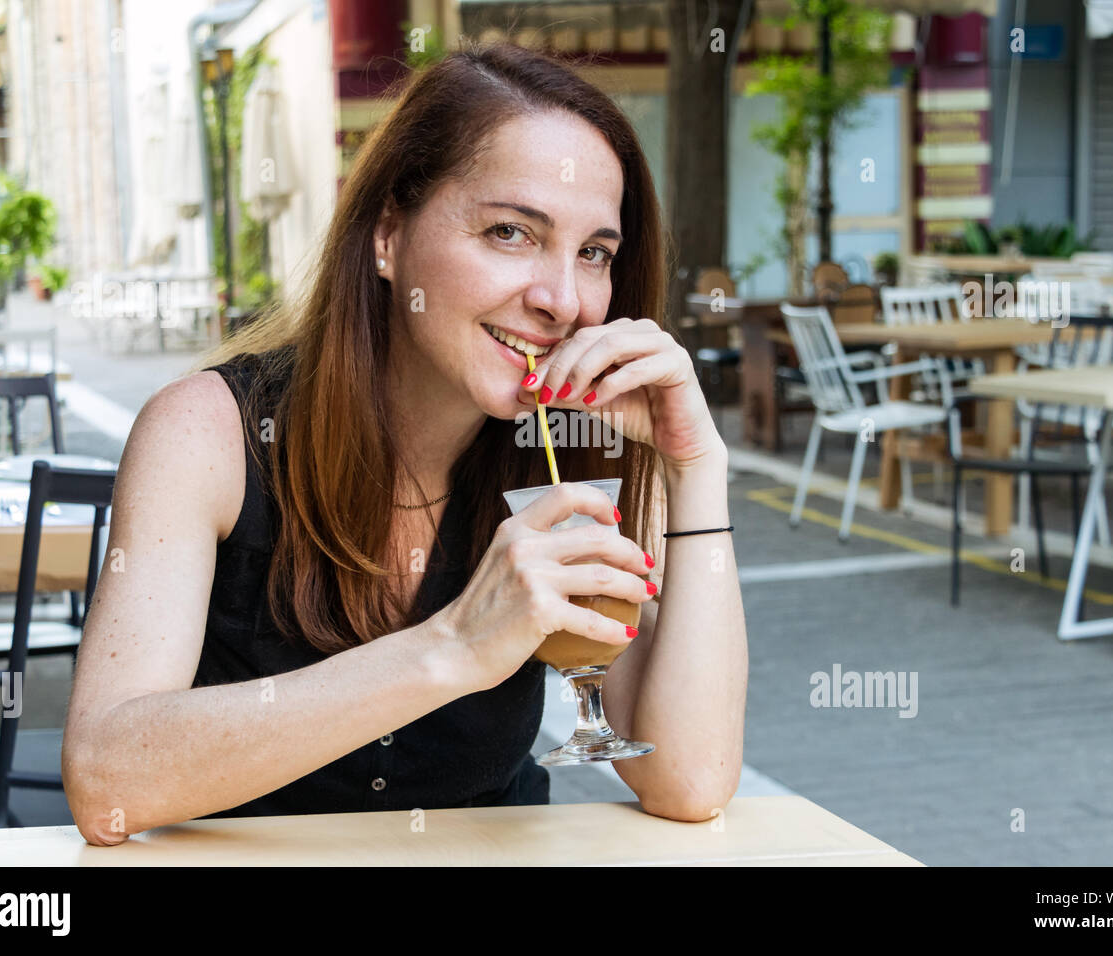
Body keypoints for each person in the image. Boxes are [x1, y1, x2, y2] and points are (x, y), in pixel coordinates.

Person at [62, 42, 747, 846]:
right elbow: (106, 781)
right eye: (511, 233)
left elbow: (690, 780)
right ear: (389, 235)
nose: (563, 299)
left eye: (593, 252)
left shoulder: (577, 450)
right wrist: (455, 645)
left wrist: (696, 466)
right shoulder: (207, 435)